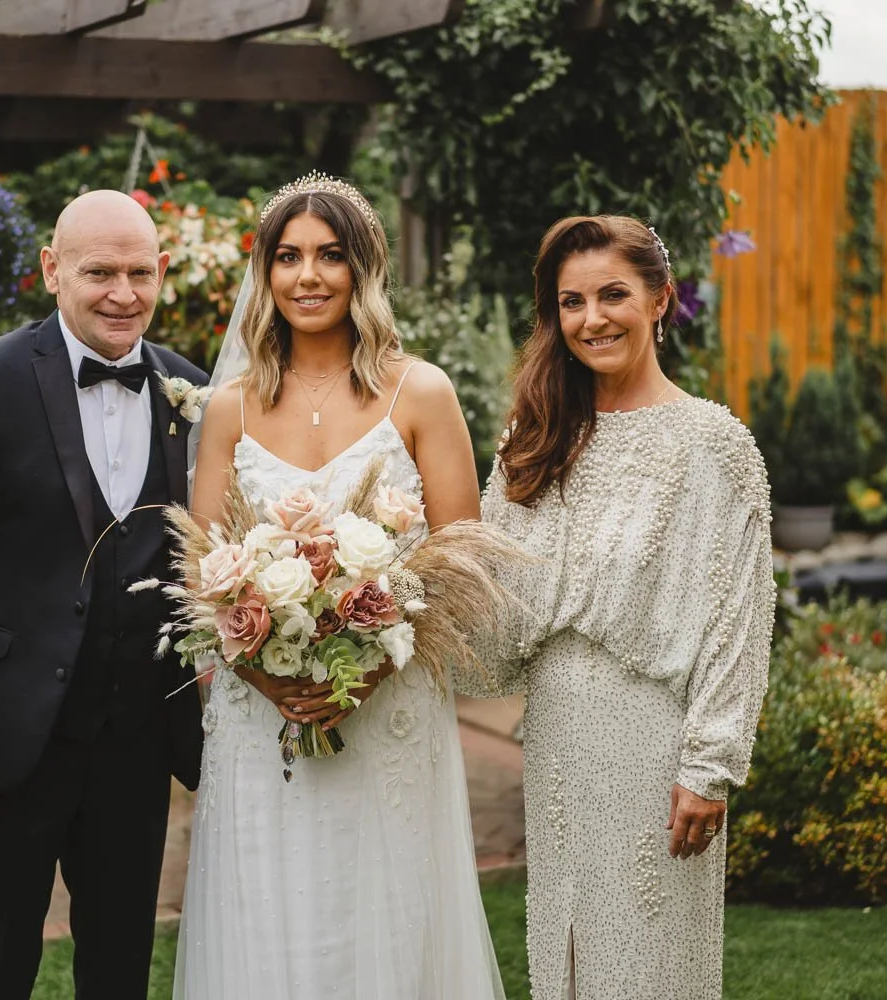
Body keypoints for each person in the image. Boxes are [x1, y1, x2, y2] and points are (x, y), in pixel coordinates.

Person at [173, 173, 506, 999]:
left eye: (329, 256)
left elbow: (462, 564)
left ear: (363, 270)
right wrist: (266, 672)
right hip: (262, 717)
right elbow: (204, 571)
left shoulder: (419, 393)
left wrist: (364, 673)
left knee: (385, 907)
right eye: (287, 257)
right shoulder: (229, 408)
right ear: (265, 271)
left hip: (389, 711)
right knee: (268, 904)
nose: (307, 276)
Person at [0, 189, 206, 999]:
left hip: (135, 747)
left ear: (164, 273)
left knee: (118, 969)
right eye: (100, 271)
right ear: (51, 270)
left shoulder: (192, 393)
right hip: (1, 745)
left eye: (140, 272)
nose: (122, 293)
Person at [473, 215, 775, 999]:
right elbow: (492, 594)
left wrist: (709, 765)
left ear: (660, 301)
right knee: (566, 953)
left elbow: (738, 617)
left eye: (613, 295)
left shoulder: (714, 444)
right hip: (556, 736)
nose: (592, 318)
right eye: (572, 302)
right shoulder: (534, 437)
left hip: (655, 741)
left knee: (649, 964)